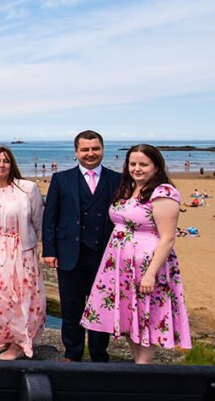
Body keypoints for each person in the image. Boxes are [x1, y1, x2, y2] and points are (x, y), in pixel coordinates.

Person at [81, 144, 191, 363]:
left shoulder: (163, 192)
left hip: (147, 263)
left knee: (146, 314)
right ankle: (137, 363)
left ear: (156, 166)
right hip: (121, 262)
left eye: (143, 164)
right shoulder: (128, 188)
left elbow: (168, 238)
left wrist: (151, 273)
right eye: (133, 164)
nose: (137, 168)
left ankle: (144, 365)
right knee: (130, 315)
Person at [42, 130, 120, 362]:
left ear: (103, 149)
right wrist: (49, 251)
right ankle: (73, 354)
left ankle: (99, 355)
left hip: (105, 256)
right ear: (76, 152)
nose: (90, 153)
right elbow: (50, 218)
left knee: (100, 308)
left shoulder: (118, 179)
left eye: (95, 148)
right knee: (71, 308)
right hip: (69, 255)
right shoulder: (61, 179)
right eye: (85, 149)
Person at [0, 146, 45, 360]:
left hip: (21, 250)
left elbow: (38, 222)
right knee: (0, 298)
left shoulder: (27, 189)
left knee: (23, 296)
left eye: (5, 161)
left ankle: (20, 344)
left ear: (12, 164)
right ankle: (3, 336)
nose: (1, 165)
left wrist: (41, 249)